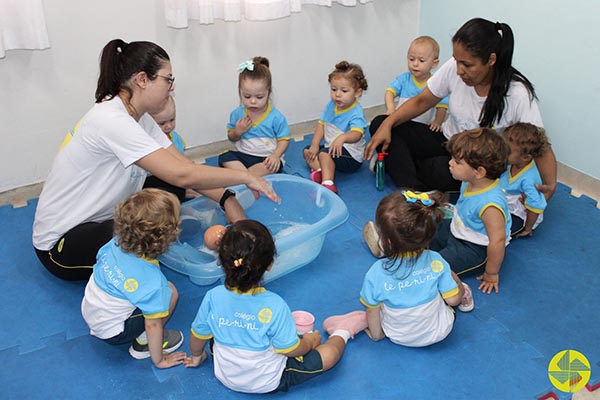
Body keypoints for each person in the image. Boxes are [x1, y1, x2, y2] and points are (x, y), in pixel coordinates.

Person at [32, 39, 279, 281]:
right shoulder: (111, 120)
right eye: (167, 79)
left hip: (101, 217)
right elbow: (184, 175)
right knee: (149, 230)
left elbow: (184, 168)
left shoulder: (141, 118)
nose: (171, 87)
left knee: (169, 186)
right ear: (142, 80)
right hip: (62, 244)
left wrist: (228, 199)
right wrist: (247, 176)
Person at [364, 18, 557, 198]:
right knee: (381, 124)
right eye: (456, 61)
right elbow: (422, 101)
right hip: (446, 140)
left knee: (439, 169)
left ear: (491, 60)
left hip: (477, 161)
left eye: (467, 64)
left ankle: (408, 178)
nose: (458, 70)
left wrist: (550, 186)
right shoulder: (455, 67)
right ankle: (415, 191)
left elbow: (538, 143)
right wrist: (388, 124)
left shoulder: (517, 93)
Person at [184, 220, 366, 393]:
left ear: (223, 262)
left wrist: (197, 356)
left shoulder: (213, 296)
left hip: (224, 374)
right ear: (270, 264)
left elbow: (198, 334)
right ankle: (342, 332)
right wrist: (309, 343)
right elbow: (290, 350)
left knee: (212, 332)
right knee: (328, 356)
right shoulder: (274, 305)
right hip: (267, 381)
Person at [81, 189, 186, 368]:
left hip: (91, 311)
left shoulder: (113, 244)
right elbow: (152, 325)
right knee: (171, 292)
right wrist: (160, 360)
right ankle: (143, 344)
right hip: (115, 331)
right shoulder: (153, 283)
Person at [357, 190, 473, 347]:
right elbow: (453, 301)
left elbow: (371, 311)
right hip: (440, 331)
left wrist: (377, 335)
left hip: (398, 335)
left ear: (387, 242)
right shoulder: (436, 261)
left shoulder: (376, 272)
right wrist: (457, 283)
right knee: (447, 283)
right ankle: (461, 286)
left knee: (381, 302)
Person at [428, 128, 511, 294]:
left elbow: (497, 241)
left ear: (479, 172)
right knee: (425, 226)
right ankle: (398, 245)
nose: (450, 163)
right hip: (457, 229)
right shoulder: (469, 181)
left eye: (457, 162)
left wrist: (491, 273)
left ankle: (460, 291)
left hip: (474, 248)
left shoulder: (490, 206)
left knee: (434, 270)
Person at [218, 57, 291, 177]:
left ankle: (242, 178)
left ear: (269, 92)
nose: (252, 101)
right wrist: (237, 132)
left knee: (271, 166)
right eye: (247, 96)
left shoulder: (276, 117)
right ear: (240, 92)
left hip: (266, 159)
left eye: (259, 97)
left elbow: (284, 140)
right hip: (243, 156)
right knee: (225, 156)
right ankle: (247, 178)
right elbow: (232, 137)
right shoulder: (237, 114)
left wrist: (276, 155)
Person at [303, 61, 368, 194]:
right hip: (332, 149)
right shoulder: (331, 106)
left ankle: (327, 184)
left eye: (344, 91)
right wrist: (315, 144)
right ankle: (320, 171)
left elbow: (357, 133)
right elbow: (322, 124)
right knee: (307, 151)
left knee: (324, 154)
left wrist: (343, 138)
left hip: (351, 156)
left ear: (357, 92)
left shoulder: (356, 112)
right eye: (334, 89)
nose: (337, 94)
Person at [381, 36, 448, 130]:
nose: (415, 64)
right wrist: (391, 109)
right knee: (379, 123)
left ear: (434, 63)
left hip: (421, 127)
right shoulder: (404, 79)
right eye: (411, 59)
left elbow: (442, 107)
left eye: (421, 60)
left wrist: (437, 121)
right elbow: (390, 92)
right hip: (401, 122)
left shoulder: (436, 83)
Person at [144, 95, 201, 201]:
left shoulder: (176, 138)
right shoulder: (148, 143)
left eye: (172, 120)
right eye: (162, 123)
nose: (169, 126)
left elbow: (184, 163)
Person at [500, 122, 549, 237]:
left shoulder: (529, 180)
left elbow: (535, 207)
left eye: (507, 150)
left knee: (497, 231)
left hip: (519, 213)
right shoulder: (512, 162)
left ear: (526, 157)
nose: (501, 152)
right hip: (505, 198)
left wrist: (527, 228)